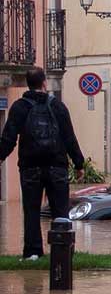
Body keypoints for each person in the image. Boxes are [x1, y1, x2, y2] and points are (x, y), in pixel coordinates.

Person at [0, 67, 85, 261]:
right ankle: (63, 251)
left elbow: (8, 138)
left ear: (28, 84)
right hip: (57, 167)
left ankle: (33, 252)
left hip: (30, 168)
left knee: (31, 211)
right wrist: (79, 164)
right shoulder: (58, 106)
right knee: (60, 211)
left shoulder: (19, 107)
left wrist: (1, 156)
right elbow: (69, 137)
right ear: (44, 83)